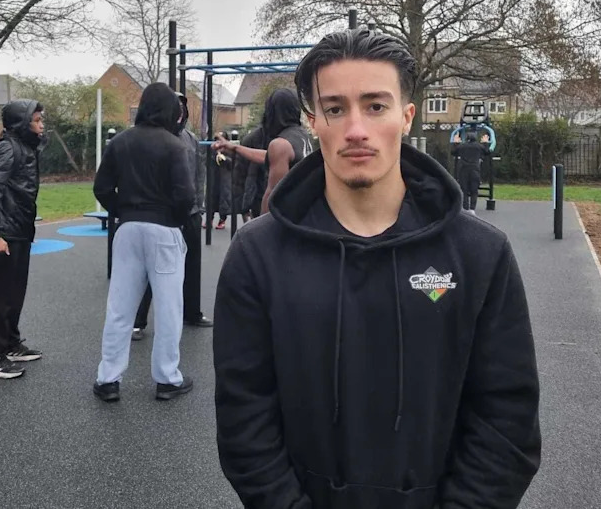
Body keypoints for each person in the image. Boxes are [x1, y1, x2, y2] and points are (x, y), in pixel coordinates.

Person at [213, 27, 540, 508]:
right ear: (313, 122)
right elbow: (245, 419)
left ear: (406, 117)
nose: (356, 129)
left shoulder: (478, 254)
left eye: (375, 106)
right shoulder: (258, 255)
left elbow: (506, 419)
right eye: (336, 108)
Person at [92, 82, 195, 402]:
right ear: (171, 111)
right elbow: (186, 196)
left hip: (127, 229)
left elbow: (101, 187)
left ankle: (108, 379)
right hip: (164, 230)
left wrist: (122, 209)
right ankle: (167, 378)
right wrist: (174, 220)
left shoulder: (120, 142)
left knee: (120, 307)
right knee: (168, 309)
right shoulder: (174, 145)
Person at [132, 93, 213, 342]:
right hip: (160, 215)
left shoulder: (190, 139)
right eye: (175, 109)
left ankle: (192, 312)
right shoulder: (149, 140)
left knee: (192, 263)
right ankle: (137, 321)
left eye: (182, 110)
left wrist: (198, 207)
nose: (179, 114)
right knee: (149, 268)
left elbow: (198, 175)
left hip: (188, 212)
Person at [0, 99, 46, 379]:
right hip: (5, 232)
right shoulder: (8, 148)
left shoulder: (25, 148)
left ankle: (11, 344)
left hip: (19, 230)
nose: (42, 126)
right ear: (22, 123)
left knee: (16, 291)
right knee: (3, 295)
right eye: (37, 121)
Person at [212, 88, 313, 215]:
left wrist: (261, 231)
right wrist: (235, 148)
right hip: (306, 213)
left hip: (288, 219)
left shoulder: (280, 145)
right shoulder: (302, 136)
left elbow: (272, 197)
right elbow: (271, 156)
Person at [451, 131, 492, 214]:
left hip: (464, 170)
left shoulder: (462, 146)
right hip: (475, 170)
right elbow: (487, 152)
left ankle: (465, 208)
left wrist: (455, 143)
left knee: (464, 190)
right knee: (474, 190)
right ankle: (472, 209)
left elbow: (453, 152)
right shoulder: (479, 146)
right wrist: (485, 142)